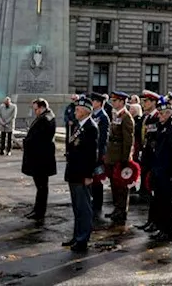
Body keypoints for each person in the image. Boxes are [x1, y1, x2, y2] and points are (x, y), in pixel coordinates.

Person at [64, 96, 98, 252]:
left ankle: (83, 239)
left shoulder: (91, 127)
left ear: (85, 111)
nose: (75, 112)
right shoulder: (79, 126)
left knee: (84, 208)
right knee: (77, 207)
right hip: (74, 172)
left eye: (77, 109)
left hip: (82, 174)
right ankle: (76, 235)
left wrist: (89, 175)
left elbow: (92, 155)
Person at [148, 98, 172, 243]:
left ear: (169, 114)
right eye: (160, 114)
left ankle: (167, 231)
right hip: (158, 170)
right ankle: (161, 228)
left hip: (166, 172)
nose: (160, 116)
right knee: (159, 201)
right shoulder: (161, 127)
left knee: (166, 204)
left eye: (163, 114)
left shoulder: (171, 129)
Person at [21, 99, 57, 221]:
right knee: (40, 187)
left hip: (41, 158)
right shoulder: (45, 117)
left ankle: (40, 212)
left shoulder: (45, 119)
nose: (34, 111)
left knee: (42, 187)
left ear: (42, 108)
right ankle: (37, 209)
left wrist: (26, 142)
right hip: (40, 157)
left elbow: (39, 138)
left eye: (36, 109)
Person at [105, 91, 135, 224]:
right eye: (112, 100)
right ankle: (117, 208)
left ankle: (122, 210)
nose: (113, 103)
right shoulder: (116, 115)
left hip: (120, 156)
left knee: (121, 186)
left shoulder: (126, 117)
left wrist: (125, 159)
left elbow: (128, 141)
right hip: (112, 155)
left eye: (116, 100)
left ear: (122, 102)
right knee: (114, 184)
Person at [87, 93, 109, 218]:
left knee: (98, 178)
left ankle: (98, 203)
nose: (92, 103)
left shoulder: (103, 117)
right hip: (92, 152)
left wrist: (101, 154)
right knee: (92, 177)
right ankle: (93, 199)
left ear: (99, 103)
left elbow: (103, 138)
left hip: (99, 153)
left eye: (94, 101)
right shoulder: (93, 115)